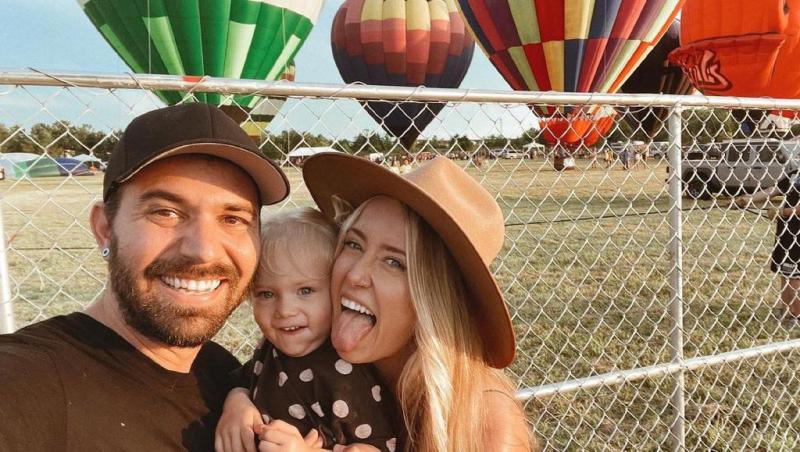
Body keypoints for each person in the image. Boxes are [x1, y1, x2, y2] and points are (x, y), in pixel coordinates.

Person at [0, 103, 291, 451]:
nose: (204, 251)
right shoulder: (25, 383)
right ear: (105, 228)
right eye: (165, 212)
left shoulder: (229, 376)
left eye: (233, 219)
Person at [302, 154, 534, 451]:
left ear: (434, 298)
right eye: (353, 244)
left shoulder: (484, 429)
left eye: (394, 262)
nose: (356, 274)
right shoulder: (310, 364)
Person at [215, 207, 396, 452]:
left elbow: (378, 447)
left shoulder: (346, 373)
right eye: (267, 294)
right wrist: (237, 403)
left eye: (305, 291)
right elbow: (243, 381)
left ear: (336, 289)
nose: (284, 310)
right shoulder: (271, 348)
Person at [734, 168, 800, 320]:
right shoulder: (795, 173)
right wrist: (747, 199)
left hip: (797, 233)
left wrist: (784, 212)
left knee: (795, 275)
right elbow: (773, 190)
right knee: (785, 272)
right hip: (786, 230)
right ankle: (786, 309)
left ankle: (797, 314)